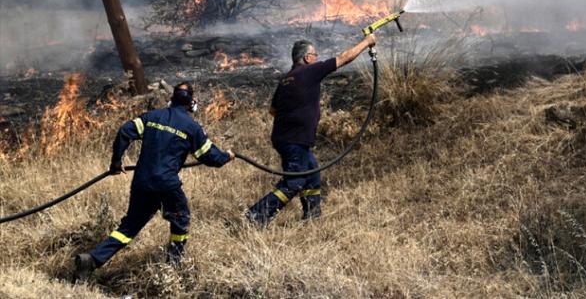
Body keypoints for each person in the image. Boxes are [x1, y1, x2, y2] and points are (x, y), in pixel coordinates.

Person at [74, 82, 234, 280]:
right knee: (180, 219)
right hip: (167, 184)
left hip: (142, 181)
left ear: (171, 100)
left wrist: (116, 162)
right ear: (192, 104)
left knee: (130, 227)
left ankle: (92, 260)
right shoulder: (193, 128)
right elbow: (212, 158)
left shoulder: (153, 117)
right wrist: (227, 156)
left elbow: (125, 131)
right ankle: (174, 267)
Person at [245, 34, 376, 226]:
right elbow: (345, 57)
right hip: (294, 140)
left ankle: (312, 217)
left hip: (287, 138)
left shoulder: (287, 79)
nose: (317, 57)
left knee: (312, 173)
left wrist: (299, 113)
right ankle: (257, 215)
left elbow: (273, 111)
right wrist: (367, 42)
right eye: (315, 54)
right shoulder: (309, 71)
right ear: (307, 58)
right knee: (294, 182)